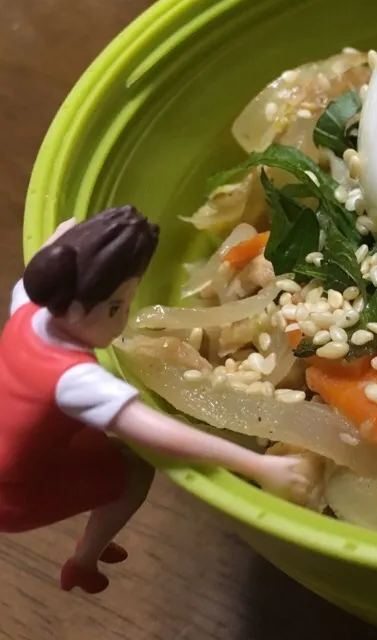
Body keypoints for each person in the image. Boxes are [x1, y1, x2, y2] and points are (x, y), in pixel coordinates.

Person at [0, 207, 311, 594]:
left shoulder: (28, 304)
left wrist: (73, 235)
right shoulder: (75, 379)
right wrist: (257, 465)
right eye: (117, 309)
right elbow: (164, 435)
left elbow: (47, 256)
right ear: (78, 310)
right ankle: (84, 560)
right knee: (134, 473)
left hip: (29, 445)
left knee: (114, 456)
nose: (123, 318)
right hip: (16, 489)